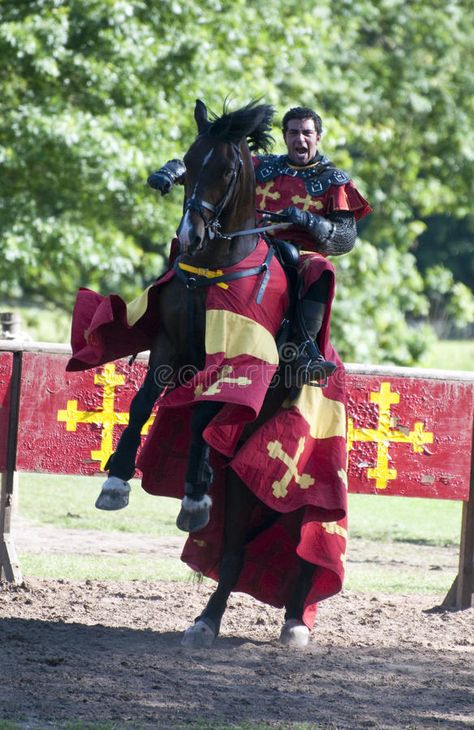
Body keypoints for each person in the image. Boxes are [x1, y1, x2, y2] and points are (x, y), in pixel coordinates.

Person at [148, 106, 371, 386]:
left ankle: (302, 348)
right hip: (245, 247)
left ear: (318, 137)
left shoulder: (334, 181)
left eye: (306, 133)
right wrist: (172, 170)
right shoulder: (262, 166)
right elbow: (212, 162)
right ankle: (159, 320)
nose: (300, 139)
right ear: (285, 136)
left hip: (297, 253)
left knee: (320, 267)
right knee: (189, 247)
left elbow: (344, 238)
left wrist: (306, 220)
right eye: (293, 132)